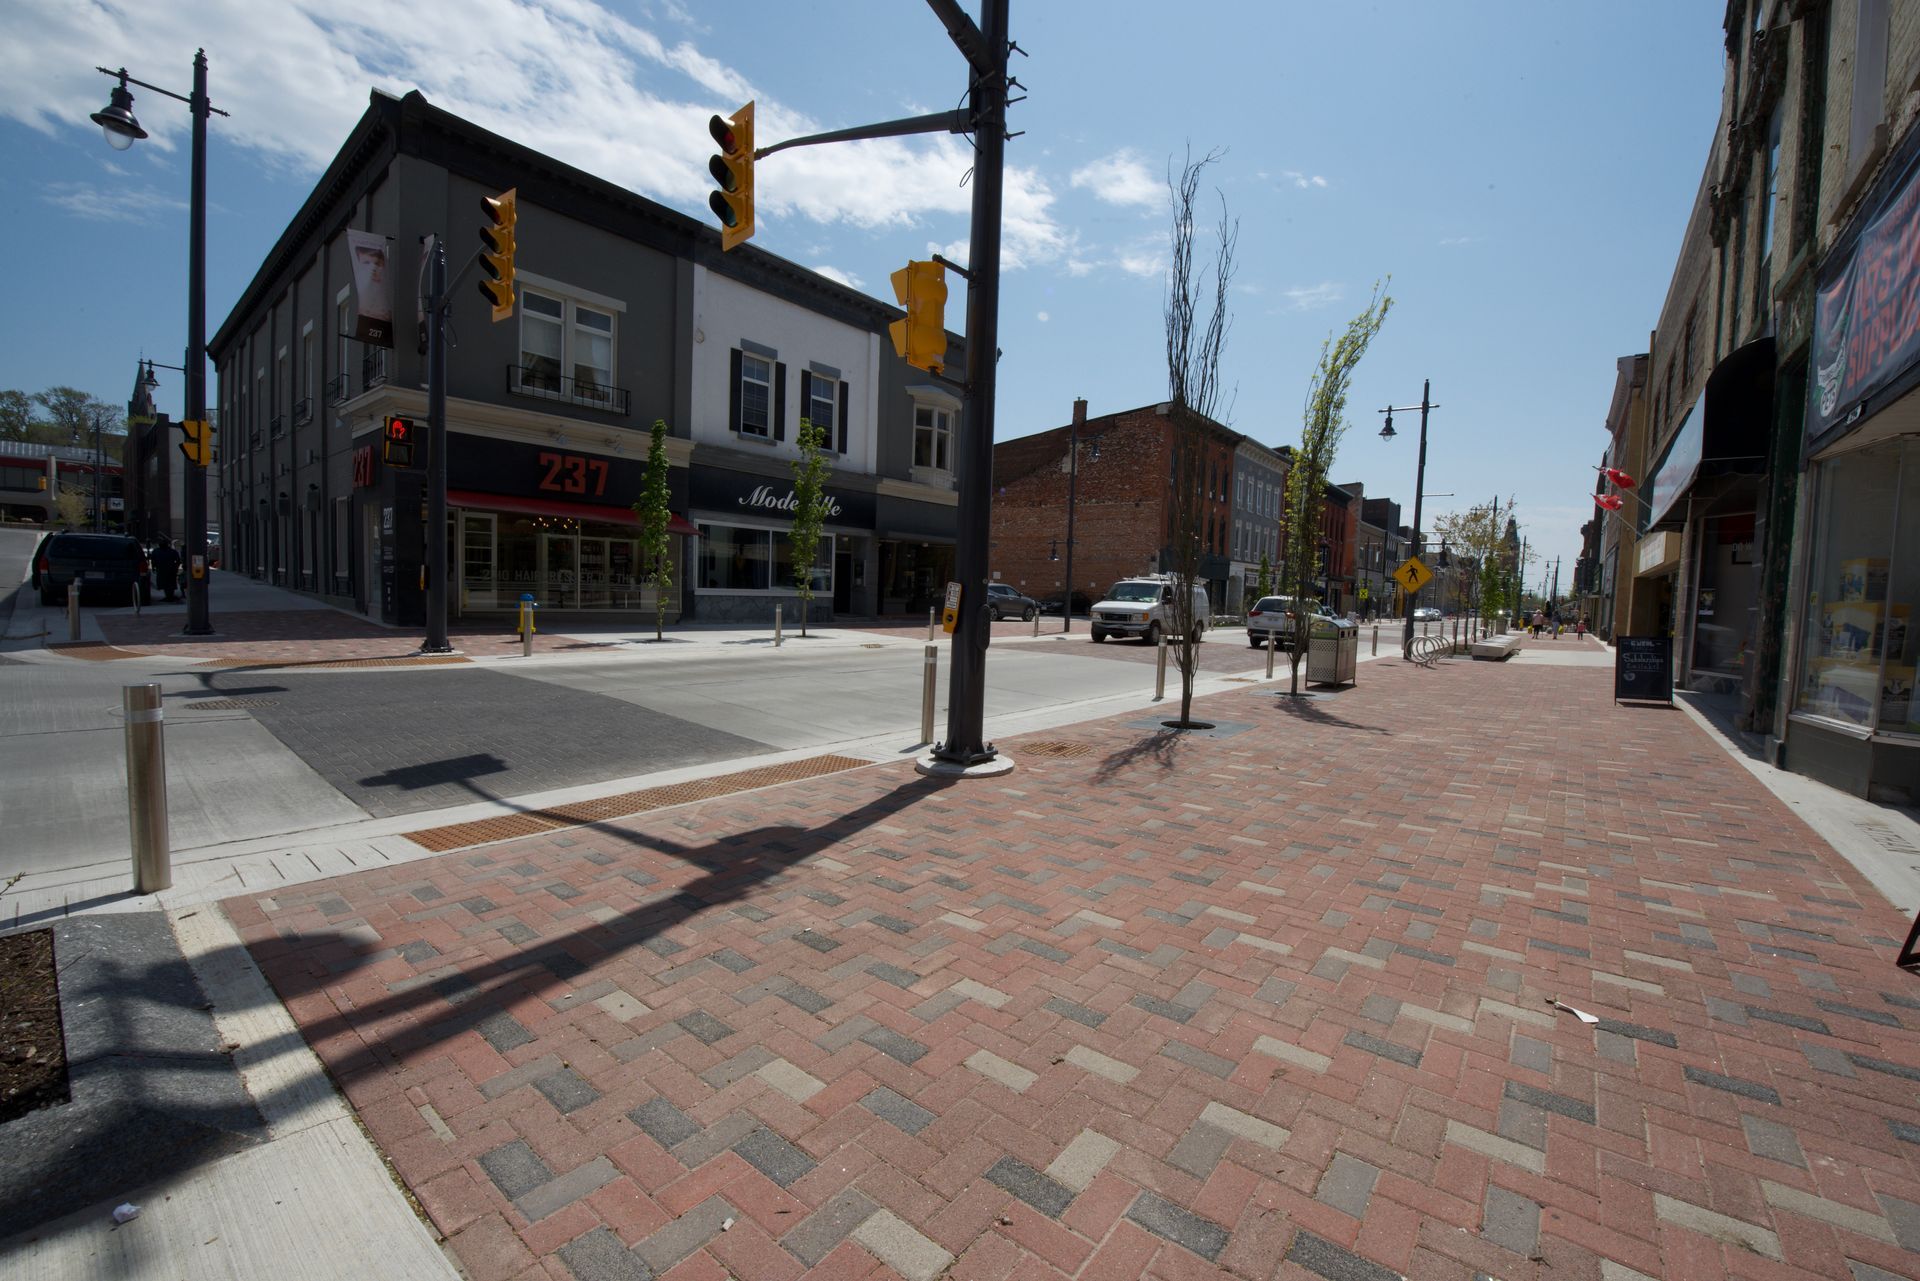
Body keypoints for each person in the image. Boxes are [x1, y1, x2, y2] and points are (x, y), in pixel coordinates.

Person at [151, 536, 181, 602]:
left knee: (168, 583)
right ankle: (169, 596)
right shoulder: (157, 551)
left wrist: (176, 567)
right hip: (166, 570)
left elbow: (178, 560)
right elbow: (153, 560)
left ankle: (169, 596)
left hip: (167, 570)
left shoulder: (157, 551)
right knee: (167, 583)